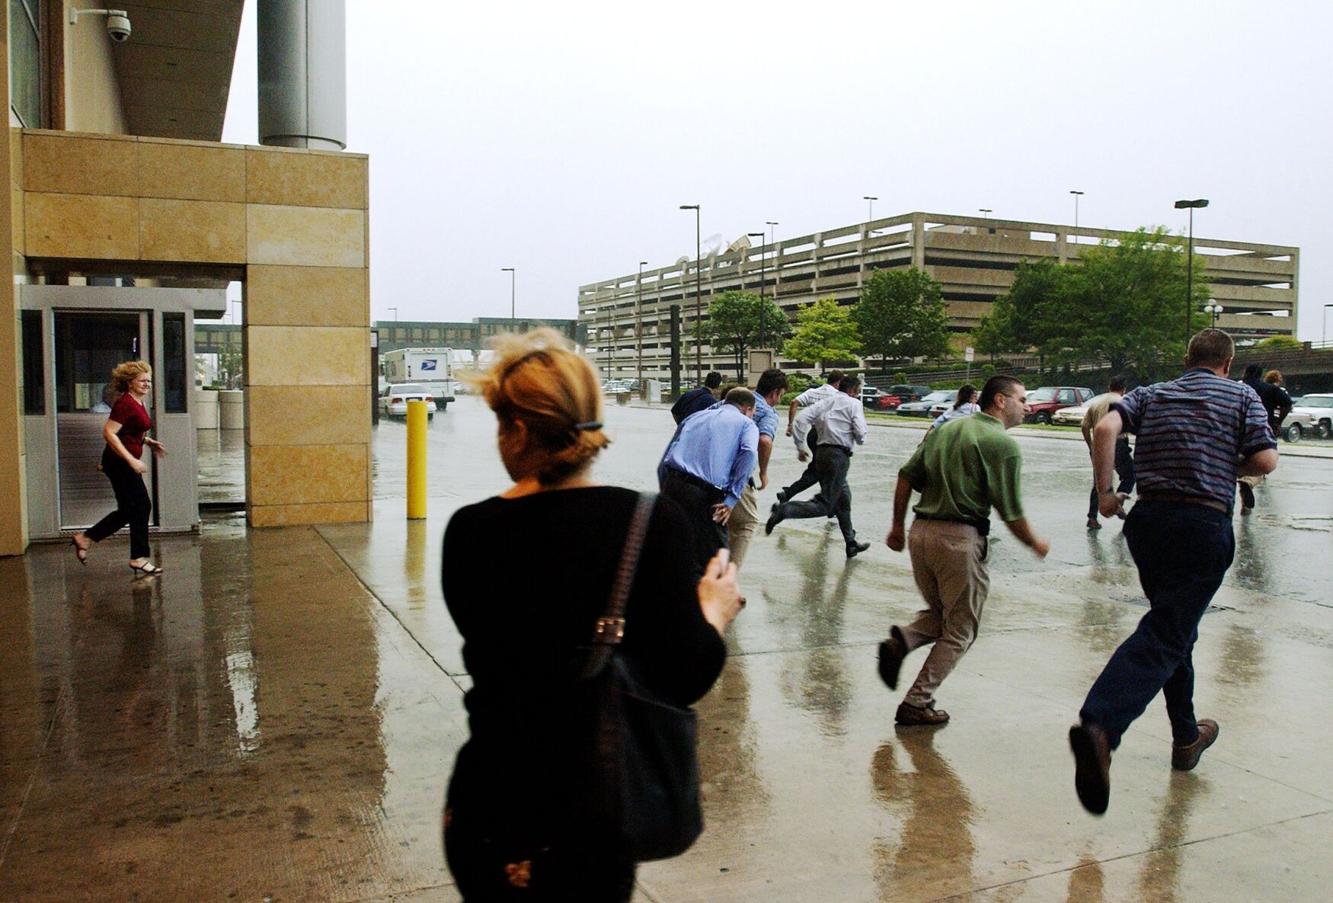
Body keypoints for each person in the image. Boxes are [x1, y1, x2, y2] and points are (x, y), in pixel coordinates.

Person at [440, 329, 742, 900]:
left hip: (491, 802)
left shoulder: (470, 532)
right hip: (591, 814)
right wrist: (713, 612)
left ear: (520, 431)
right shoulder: (652, 523)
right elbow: (684, 677)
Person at [1070, 329, 1277, 815]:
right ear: (1227, 361)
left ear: (1187, 360)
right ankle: (1100, 724)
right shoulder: (1242, 395)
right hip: (1202, 524)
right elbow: (1265, 460)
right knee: (1167, 631)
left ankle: (1186, 736)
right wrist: (1228, 458)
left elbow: (1104, 430)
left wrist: (1105, 493)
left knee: (1174, 624)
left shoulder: (1152, 393)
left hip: (1149, 522)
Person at [878, 375, 1050, 725]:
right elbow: (1010, 510)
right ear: (1000, 401)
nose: (1027, 406)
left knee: (942, 614)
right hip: (958, 540)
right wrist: (1034, 542)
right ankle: (916, 702)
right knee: (962, 629)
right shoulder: (1001, 443)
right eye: (1021, 399)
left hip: (921, 534)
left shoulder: (946, 429)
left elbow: (906, 475)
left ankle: (904, 640)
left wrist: (897, 526)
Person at [70, 360, 166, 575]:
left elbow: (130, 431)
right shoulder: (125, 404)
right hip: (120, 462)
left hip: (122, 461)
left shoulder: (137, 402)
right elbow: (109, 432)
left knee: (130, 509)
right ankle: (138, 557)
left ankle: (85, 538)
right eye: (142, 380)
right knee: (142, 505)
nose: (147, 384)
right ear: (130, 382)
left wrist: (148, 442)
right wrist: (131, 460)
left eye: (149, 380)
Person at [765, 375, 871, 559]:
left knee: (843, 500)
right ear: (853, 390)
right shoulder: (854, 404)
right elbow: (861, 434)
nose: (858, 394)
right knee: (826, 504)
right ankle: (785, 510)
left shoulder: (826, 402)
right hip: (839, 456)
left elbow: (800, 420)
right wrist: (860, 437)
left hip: (821, 453)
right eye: (858, 391)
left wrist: (800, 446)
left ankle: (851, 543)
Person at [659, 387, 760, 573]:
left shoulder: (695, 417)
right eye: (753, 412)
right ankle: (713, 597)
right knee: (714, 560)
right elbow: (749, 453)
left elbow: (668, 455)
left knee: (676, 547)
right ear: (747, 409)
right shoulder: (746, 424)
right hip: (704, 494)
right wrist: (732, 498)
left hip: (673, 485)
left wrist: (664, 490)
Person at [726, 368, 788, 569]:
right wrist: (763, 472)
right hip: (736, 472)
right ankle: (727, 581)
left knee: (725, 520)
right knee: (747, 522)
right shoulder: (768, 413)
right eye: (782, 395)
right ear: (776, 392)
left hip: (708, 469)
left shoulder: (736, 400)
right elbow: (764, 441)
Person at [777, 369, 845, 505]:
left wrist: (790, 424)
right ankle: (831, 503)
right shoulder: (839, 396)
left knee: (819, 468)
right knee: (827, 470)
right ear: (838, 383)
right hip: (829, 436)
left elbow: (794, 402)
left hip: (813, 434)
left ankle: (790, 492)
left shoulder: (813, 392)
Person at [1082, 374, 1135, 530]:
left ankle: (1092, 517)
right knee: (1129, 475)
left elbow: (1085, 427)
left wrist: (1091, 446)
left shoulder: (1096, 404)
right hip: (1117, 442)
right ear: (1124, 389)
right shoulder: (1123, 402)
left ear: (1109, 387)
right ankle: (1116, 503)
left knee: (1099, 482)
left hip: (1098, 443)